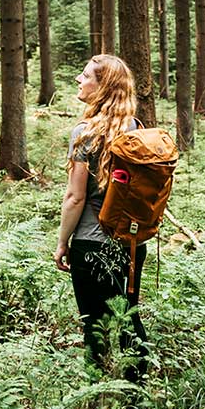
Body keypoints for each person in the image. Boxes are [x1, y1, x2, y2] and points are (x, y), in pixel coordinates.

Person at [54, 54, 148, 382]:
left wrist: (62, 242)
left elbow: (75, 196)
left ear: (102, 86)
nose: (79, 81)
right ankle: (135, 393)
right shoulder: (135, 129)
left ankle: (98, 400)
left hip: (91, 244)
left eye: (85, 76)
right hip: (131, 243)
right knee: (126, 316)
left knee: (95, 326)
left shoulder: (84, 133)